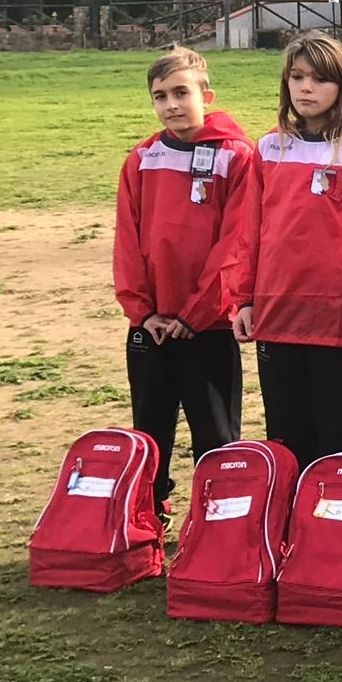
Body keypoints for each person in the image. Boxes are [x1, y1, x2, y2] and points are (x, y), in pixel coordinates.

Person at [233, 33, 342, 469]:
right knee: (288, 441)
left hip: (341, 322)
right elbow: (249, 231)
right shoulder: (269, 147)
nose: (306, 88)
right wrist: (243, 298)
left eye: (319, 79)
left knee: (341, 444)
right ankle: (294, 531)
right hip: (278, 319)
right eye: (297, 77)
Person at [113, 46, 255, 517]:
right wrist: (144, 312)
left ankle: (219, 520)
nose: (171, 104)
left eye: (181, 93)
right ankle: (146, 515)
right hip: (152, 325)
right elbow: (127, 242)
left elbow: (236, 244)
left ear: (206, 95)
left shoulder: (236, 156)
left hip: (207, 326)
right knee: (150, 429)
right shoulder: (142, 159)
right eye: (160, 96)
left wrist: (198, 313)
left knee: (214, 434)